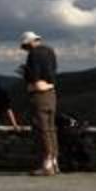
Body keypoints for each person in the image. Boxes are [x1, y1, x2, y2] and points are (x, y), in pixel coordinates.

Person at [19, 30, 58, 175]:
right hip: (51, 95)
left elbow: (36, 80)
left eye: (26, 46)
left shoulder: (34, 54)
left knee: (41, 129)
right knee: (51, 127)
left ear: (31, 42)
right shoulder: (50, 51)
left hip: (40, 95)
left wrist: (31, 81)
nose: (26, 49)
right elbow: (52, 73)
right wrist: (50, 85)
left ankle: (46, 164)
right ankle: (54, 161)